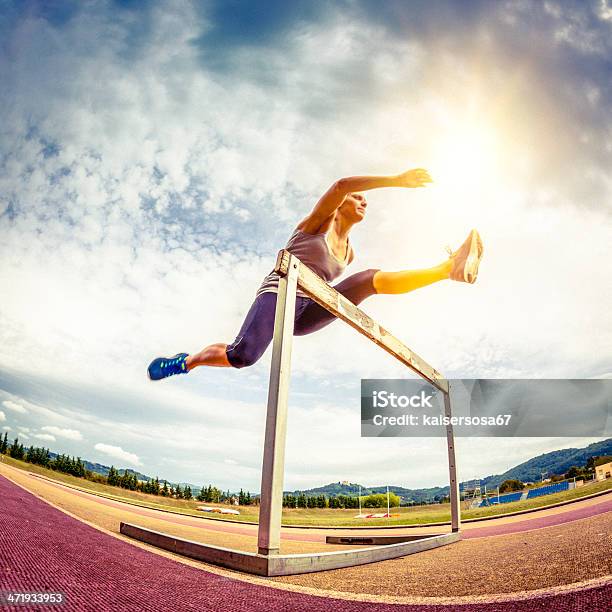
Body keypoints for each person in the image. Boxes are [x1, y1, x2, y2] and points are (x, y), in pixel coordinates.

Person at [147, 169, 483, 380]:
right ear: (340, 204)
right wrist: (395, 181)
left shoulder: (349, 252)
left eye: (367, 201)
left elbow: (342, 275)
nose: (364, 202)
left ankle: (447, 270)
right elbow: (340, 184)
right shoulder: (318, 224)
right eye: (358, 198)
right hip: (279, 296)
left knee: (367, 279)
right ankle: (186, 362)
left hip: (307, 311)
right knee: (242, 355)